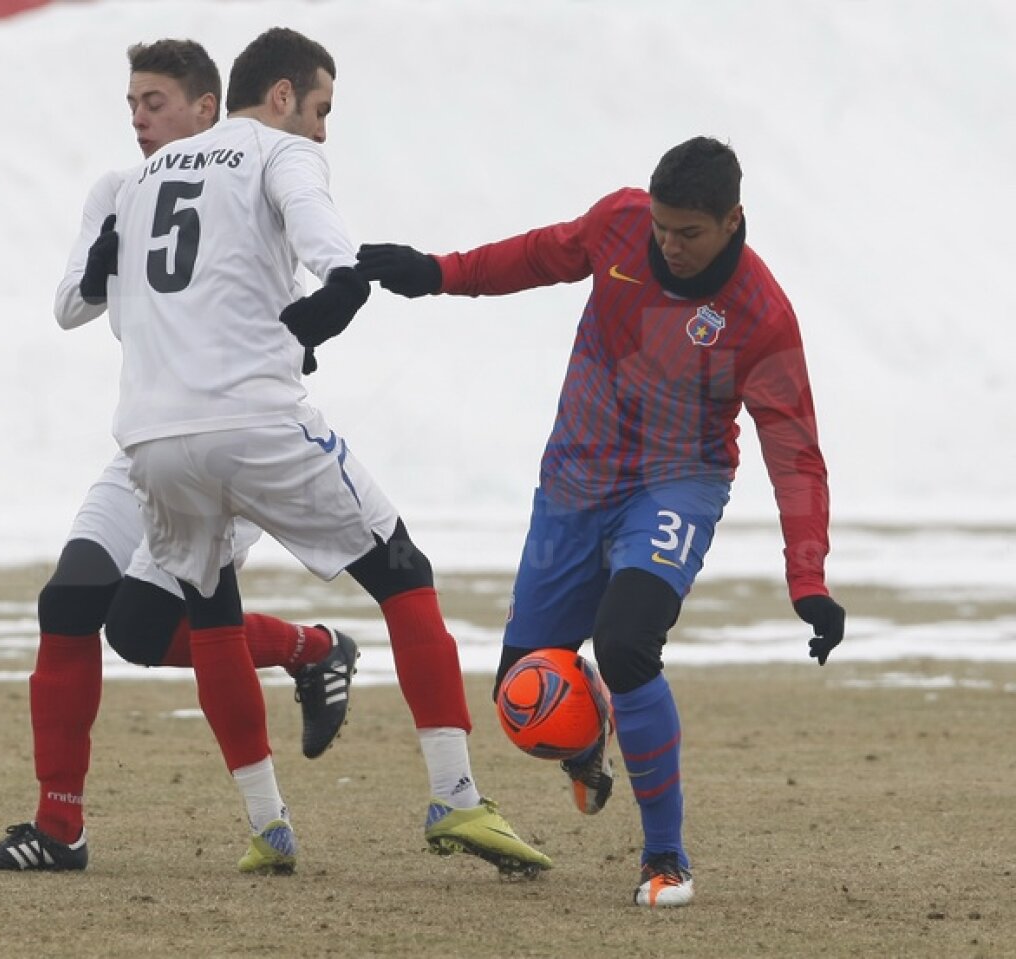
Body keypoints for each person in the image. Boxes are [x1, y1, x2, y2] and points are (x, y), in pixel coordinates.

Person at [107, 26, 551, 878]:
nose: (321, 131)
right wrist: (338, 291)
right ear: (280, 97)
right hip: (254, 420)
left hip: (153, 437)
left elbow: (130, 303)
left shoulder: (143, 177)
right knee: (402, 568)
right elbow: (324, 241)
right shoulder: (279, 152)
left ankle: (268, 827)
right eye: (320, 109)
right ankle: (456, 799)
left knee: (211, 616)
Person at [356, 136, 847, 906]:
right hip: (575, 481)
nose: (669, 245)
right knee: (522, 694)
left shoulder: (760, 314)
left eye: (688, 232)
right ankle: (589, 746)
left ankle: (665, 858)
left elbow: (796, 452)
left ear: (732, 220)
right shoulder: (619, 223)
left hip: (676, 484)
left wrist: (808, 579)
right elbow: (536, 256)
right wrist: (437, 272)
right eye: (662, 228)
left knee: (626, 643)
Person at [0, 38, 357, 874]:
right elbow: (70, 305)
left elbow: (291, 277)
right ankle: (58, 829)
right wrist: (102, 267)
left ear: (207, 107)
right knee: (69, 602)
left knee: (140, 628)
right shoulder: (120, 188)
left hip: (229, 442)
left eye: (155, 102)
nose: (139, 119)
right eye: (131, 104)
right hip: (143, 445)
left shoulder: (254, 168)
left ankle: (313, 650)